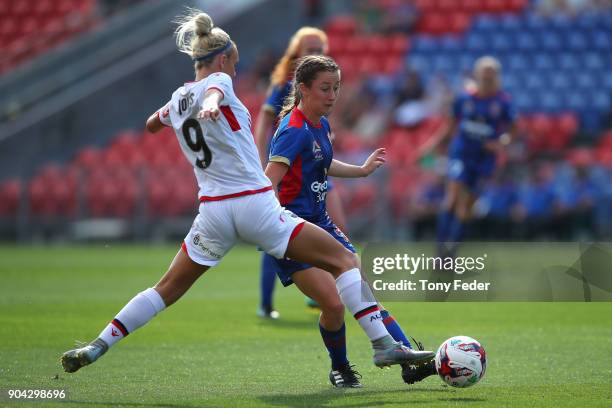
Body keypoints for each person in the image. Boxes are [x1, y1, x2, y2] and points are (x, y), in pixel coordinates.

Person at [59, 10, 433, 384]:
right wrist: (209, 102)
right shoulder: (219, 80)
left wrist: (178, 112)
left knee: (166, 289)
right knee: (345, 260)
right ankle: (383, 345)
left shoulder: (177, 99)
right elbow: (217, 88)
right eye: (235, 65)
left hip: (213, 213)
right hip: (255, 203)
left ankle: (98, 344)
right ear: (223, 59)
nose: (235, 73)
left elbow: (151, 124)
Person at [264, 54, 436, 387]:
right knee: (332, 304)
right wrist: (272, 224)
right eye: (325, 88)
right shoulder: (293, 130)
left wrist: (360, 170)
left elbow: (320, 164)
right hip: (293, 230)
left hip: (321, 223)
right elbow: (268, 182)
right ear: (303, 89)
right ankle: (342, 366)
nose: (332, 95)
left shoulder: (320, 125)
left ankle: (402, 357)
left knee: (360, 289)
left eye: (336, 88)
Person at [253, 27, 347, 318]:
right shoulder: (285, 83)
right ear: (297, 51)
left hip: (315, 165)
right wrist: (259, 158)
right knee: (281, 233)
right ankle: (266, 302)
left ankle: (321, 293)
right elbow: (264, 120)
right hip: (289, 166)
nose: (316, 52)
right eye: (310, 48)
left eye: (320, 47)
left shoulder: (323, 81)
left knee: (334, 225)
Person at [421, 56, 517, 255]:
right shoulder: (464, 99)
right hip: (462, 154)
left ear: (497, 77)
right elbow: (449, 126)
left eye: (492, 74)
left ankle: (452, 252)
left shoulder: (503, 102)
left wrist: (501, 143)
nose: (489, 77)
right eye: (485, 73)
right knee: (453, 197)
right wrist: (430, 146)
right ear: (478, 74)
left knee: (467, 207)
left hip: (484, 159)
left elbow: (514, 129)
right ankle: (440, 251)